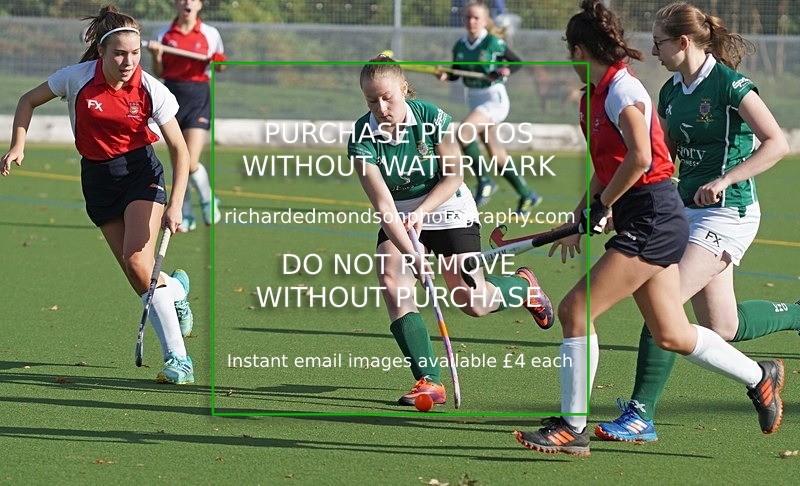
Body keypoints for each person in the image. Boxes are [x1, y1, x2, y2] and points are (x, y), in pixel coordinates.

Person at [512, 0, 784, 457]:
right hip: (663, 211)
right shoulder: (602, 95)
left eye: (661, 43)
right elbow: (618, 165)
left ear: (579, 50)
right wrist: (582, 214)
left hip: (670, 217)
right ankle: (760, 378)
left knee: (575, 309)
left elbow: (641, 159)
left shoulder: (622, 89)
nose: (654, 51)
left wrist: (606, 204)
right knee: (675, 332)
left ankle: (579, 426)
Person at [595, 1, 796, 444]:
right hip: (688, 210)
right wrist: (616, 204)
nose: (654, 51)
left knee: (663, 303)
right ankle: (790, 328)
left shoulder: (729, 85)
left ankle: (640, 415)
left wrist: (726, 179)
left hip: (729, 211)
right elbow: (659, 159)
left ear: (683, 42)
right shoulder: (670, 92)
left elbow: (776, 143)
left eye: (659, 43)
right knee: (723, 326)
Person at [1, 5, 195, 384]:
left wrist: (175, 204)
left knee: (137, 261)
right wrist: (17, 145)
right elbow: (27, 100)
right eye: (120, 54)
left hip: (141, 174)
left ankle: (179, 360)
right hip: (97, 180)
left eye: (135, 53)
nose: (128, 62)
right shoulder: (75, 78)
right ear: (102, 52)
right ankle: (174, 291)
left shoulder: (150, 88)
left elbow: (180, 149)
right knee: (137, 274)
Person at [349, 54, 554, 406]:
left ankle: (524, 288)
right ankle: (429, 380)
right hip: (400, 214)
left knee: (472, 301)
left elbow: (455, 176)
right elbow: (384, 207)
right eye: (372, 101)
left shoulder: (431, 117)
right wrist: (412, 254)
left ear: (404, 89)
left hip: (448, 207)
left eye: (387, 98)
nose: (381, 108)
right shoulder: (362, 136)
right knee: (392, 278)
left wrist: (423, 211)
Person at [438, 1, 542, 216]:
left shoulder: (493, 43)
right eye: (468, 17)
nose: (471, 21)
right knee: (497, 155)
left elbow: (516, 63)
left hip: (493, 99)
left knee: (463, 133)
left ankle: (485, 181)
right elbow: (457, 73)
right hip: (474, 99)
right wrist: (446, 75)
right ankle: (527, 194)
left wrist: (504, 71)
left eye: (476, 18)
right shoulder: (460, 45)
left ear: (485, 20)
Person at [147, 0, 225, 232]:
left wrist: (219, 62)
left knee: (190, 162)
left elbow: (220, 66)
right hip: (171, 96)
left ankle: (208, 199)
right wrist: (156, 56)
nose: (187, 2)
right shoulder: (163, 33)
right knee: (177, 162)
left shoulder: (210, 34)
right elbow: (159, 72)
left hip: (199, 97)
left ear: (199, 5)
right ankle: (185, 212)